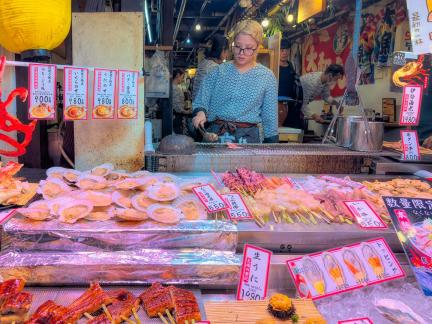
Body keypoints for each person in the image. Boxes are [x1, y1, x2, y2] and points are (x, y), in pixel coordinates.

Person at [192, 20, 278, 143]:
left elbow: (270, 119)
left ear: (258, 47)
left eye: (249, 48)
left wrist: (272, 147)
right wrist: (200, 113)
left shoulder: (267, 77)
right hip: (216, 136)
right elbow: (201, 101)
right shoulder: (217, 72)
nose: (241, 53)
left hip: (248, 139)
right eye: (237, 46)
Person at [192, 34, 229, 101]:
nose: (227, 55)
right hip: (206, 109)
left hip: (198, 108)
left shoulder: (203, 63)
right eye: (227, 52)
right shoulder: (215, 68)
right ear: (222, 51)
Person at [278, 39, 303, 128]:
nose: (284, 53)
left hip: (290, 107)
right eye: (282, 50)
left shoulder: (292, 68)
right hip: (275, 107)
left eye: (287, 50)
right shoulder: (273, 68)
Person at [172, 68, 191, 135]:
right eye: (182, 77)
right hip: (176, 118)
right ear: (177, 75)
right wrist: (187, 112)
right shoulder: (176, 89)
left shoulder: (170, 87)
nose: (183, 79)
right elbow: (178, 108)